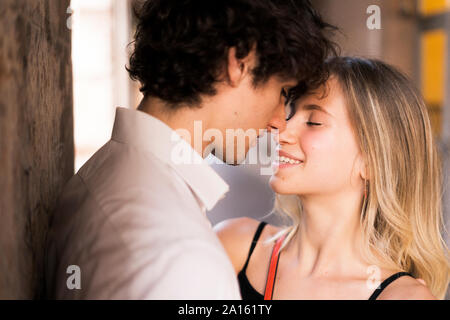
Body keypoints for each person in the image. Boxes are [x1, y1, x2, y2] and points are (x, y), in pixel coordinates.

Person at [44, 0, 337, 299]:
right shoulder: (185, 259)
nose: (278, 122)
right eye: (282, 92)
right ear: (239, 62)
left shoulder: (102, 173)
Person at [215, 57, 450, 300]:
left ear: (372, 161)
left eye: (314, 122)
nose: (280, 131)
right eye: (289, 113)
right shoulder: (235, 246)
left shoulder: (403, 297)